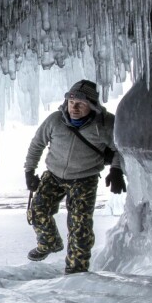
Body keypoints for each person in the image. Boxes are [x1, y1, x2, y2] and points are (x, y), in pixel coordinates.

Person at [23, 79, 126, 274]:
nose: (74, 107)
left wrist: (116, 170)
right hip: (53, 174)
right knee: (37, 211)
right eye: (71, 103)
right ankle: (49, 243)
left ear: (92, 106)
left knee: (80, 227)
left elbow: (120, 148)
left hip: (84, 179)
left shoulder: (105, 125)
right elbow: (37, 144)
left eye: (81, 104)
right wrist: (29, 171)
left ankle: (76, 272)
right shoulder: (54, 121)